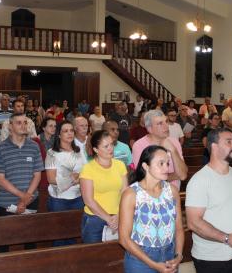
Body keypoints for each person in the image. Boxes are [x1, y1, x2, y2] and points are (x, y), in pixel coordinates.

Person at [186, 128, 232, 272]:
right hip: (211, 257)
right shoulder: (200, 180)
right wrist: (226, 238)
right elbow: (193, 223)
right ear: (214, 146)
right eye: (229, 142)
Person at [119, 145, 184, 273]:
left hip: (169, 253)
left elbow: (179, 228)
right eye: (161, 164)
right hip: (141, 257)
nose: (167, 168)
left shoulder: (172, 191)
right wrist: (153, 264)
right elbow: (124, 239)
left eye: (167, 163)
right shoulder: (132, 194)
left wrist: (178, 255)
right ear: (145, 166)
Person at [0, 113, 44, 252]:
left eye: (25, 122)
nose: (23, 125)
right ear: (10, 126)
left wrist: (26, 198)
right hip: (7, 203)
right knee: (3, 243)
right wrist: (22, 196)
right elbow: (0, 180)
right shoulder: (0, 148)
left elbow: (37, 175)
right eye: (19, 122)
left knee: (30, 241)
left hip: (31, 200)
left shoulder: (34, 146)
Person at [80, 130, 128, 243]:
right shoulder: (88, 169)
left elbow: (125, 193)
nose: (110, 148)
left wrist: (118, 214)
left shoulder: (120, 165)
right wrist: (109, 219)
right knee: (94, 257)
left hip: (119, 216)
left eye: (111, 144)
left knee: (117, 258)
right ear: (96, 150)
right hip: (95, 219)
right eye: (106, 146)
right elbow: (89, 200)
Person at [45, 121, 85, 245]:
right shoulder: (52, 153)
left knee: (73, 234)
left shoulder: (79, 151)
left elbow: (85, 173)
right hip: (59, 199)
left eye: (71, 130)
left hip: (78, 198)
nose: (69, 133)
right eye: (65, 131)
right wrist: (73, 178)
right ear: (59, 135)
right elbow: (51, 179)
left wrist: (76, 177)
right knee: (59, 236)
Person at [132, 110, 187, 188]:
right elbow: (143, 176)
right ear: (150, 129)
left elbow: (183, 175)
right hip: (150, 194)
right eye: (160, 123)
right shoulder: (139, 145)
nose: (166, 126)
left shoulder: (174, 142)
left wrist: (173, 150)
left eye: (166, 121)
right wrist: (174, 175)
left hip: (173, 194)